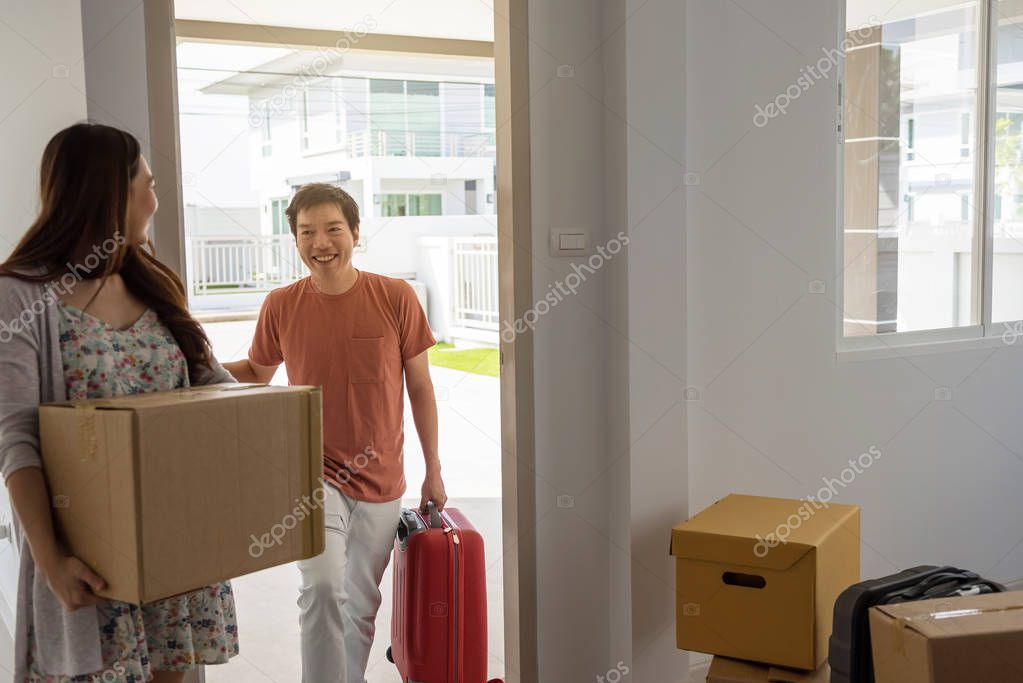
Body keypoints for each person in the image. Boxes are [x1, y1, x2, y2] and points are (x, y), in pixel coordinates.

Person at [0, 122, 240, 682]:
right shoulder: (21, 296)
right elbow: (17, 439)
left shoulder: (154, 283)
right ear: (113, 192)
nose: (155, 199)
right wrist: (52, 561)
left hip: (175, 544)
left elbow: (214, 385)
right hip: (88, 559)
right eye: (148, 184)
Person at [224, 182, 446, 683]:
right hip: (312, 475)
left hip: (382, 478)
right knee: (322, 588)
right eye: (307, 232)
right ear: (295, 240)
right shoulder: (282, 304)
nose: (320, 242)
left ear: (355, 233)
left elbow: (421, 387)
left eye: (331, 229)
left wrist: (434, 470)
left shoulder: (395, 296)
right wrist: (195, 363)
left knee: (361, 605)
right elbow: (257, 373)